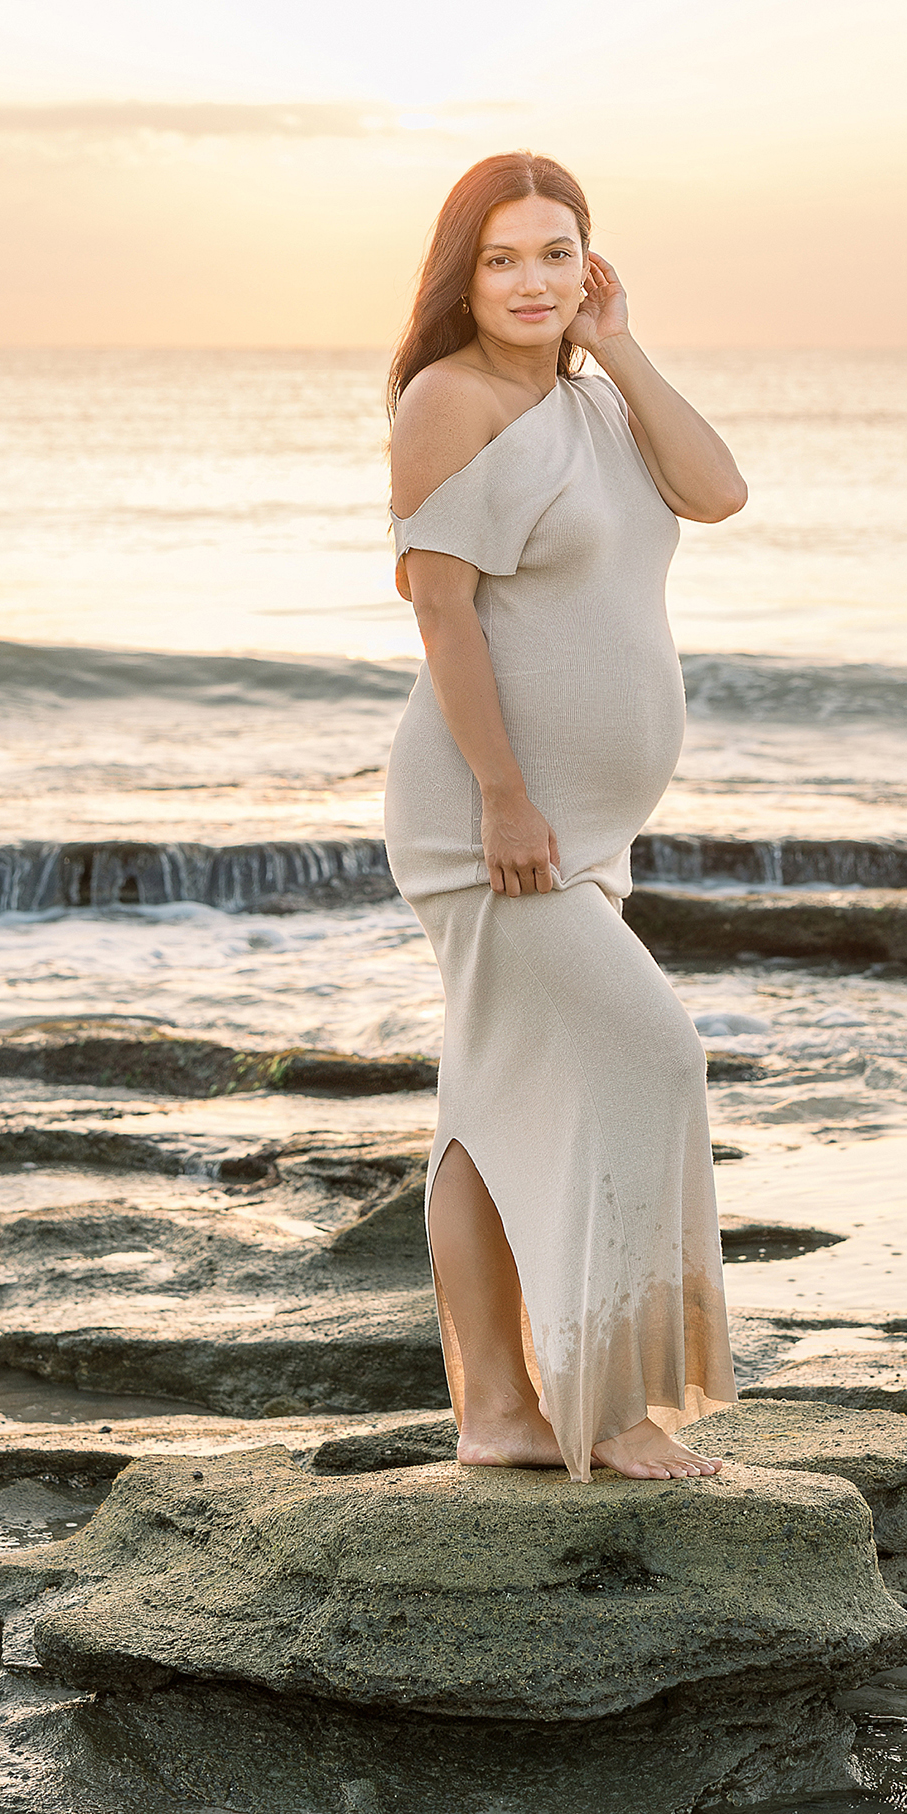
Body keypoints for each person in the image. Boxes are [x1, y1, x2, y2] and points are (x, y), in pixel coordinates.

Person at [383, 153, 748, 1481]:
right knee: (654, 1056)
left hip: (577, 833)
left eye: (558, 252)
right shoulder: (448, 399)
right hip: (490, 819)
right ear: (460, 275)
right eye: (503, 258)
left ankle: (496, 1414)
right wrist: (502, 798)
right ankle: (603, 1409)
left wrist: (624, 347)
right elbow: (443, 613)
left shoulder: (596, 406)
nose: (533, 281)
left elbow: (718, 492)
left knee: (485, 1100)